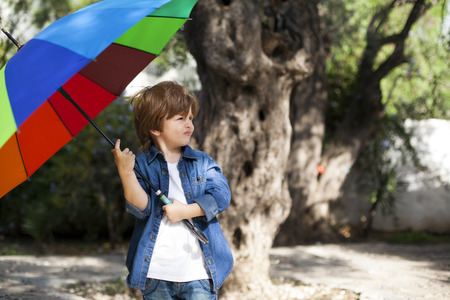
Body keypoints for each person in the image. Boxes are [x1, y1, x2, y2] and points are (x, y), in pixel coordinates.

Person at [111, 81, 233, 299]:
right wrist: (126, 172)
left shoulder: (202, 162)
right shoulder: (142, 165)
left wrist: (186, 212)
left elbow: (221, 196)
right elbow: (141, 210)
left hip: (198, 272)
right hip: (157, 273)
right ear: (156, 128)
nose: (189, 124)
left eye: (190, 118)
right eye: (180, 118)